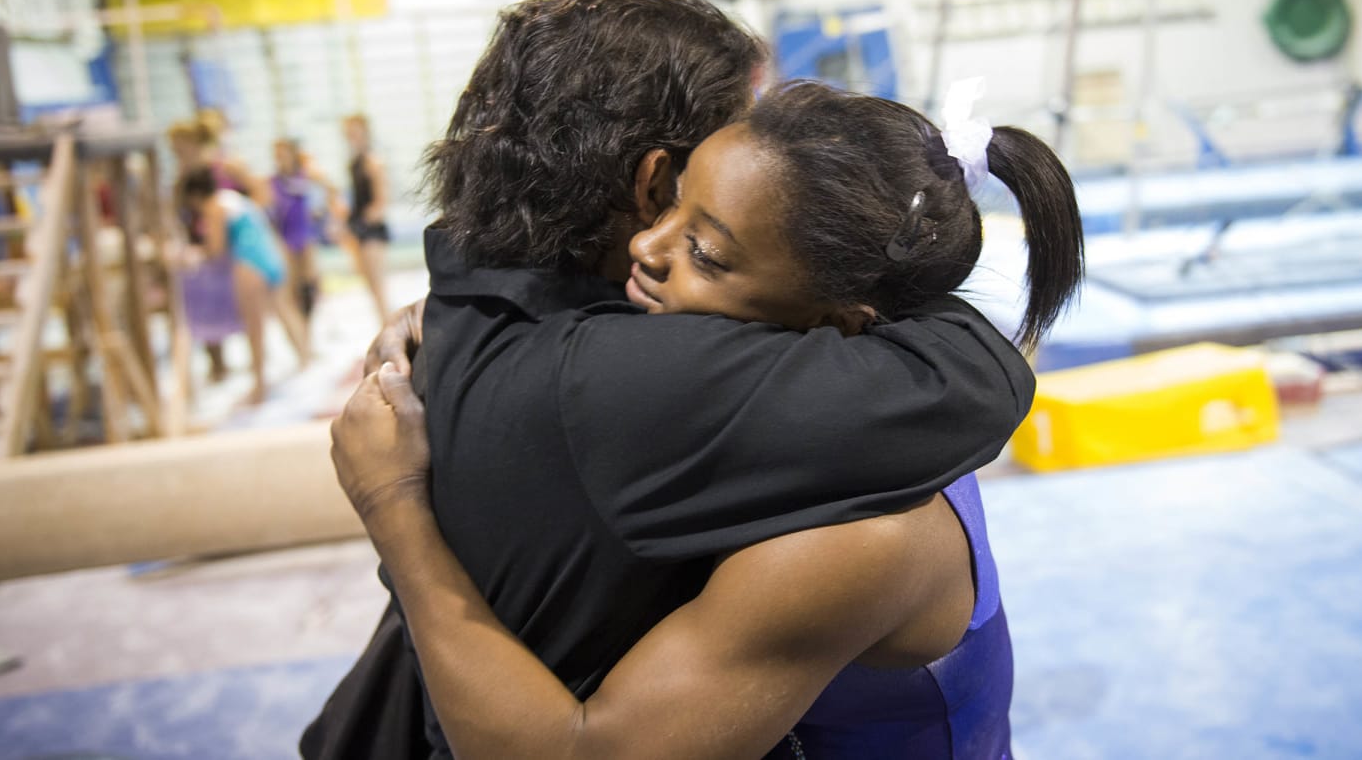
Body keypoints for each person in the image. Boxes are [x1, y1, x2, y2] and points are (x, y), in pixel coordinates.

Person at [333, 80, 1083, 759]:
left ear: (841, 321)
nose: (645, 244)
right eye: (671, 204)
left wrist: (393, 508)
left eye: (706, 251)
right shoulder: (825, 403)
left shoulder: (857, 541)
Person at [179, 167, 310, 403]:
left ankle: (260, 385)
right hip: (270, 257)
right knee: (284, 311)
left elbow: (215, 250)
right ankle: (304, 359)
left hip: (249, 264)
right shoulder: (234, 199)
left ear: (194, 196)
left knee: (254, 327)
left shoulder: (213, 208)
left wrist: (191, 254)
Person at [167, 113, 268, 383]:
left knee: (250, 313)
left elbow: (260, 196)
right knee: (204, 311)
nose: (176, 152)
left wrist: (242, 226)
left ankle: (258, 372)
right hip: (205, 249)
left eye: (179, 146)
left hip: (235, 247)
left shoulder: (224, 167)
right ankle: (220, 365)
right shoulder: (181, 178)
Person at [271, 138, 337, 320]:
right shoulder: (274, 181)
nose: (280, 158)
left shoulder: (306, 174)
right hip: (286, 234)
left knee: (310, 284)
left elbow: (331, 189)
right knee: (293, 286)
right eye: (277, 154)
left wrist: (323, 213)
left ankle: (310, 324)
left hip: (306, 233)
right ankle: (301, 328)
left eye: (284, 153)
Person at [340, 113, 390, 321]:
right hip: (358, 226)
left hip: (371, 229)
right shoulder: (355, 162)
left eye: (355, 130)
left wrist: (364, 221)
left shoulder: (373, 161)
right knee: (369, 284)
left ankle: (387, 324)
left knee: (378, 284)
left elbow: (381, 200)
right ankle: (383, 322)